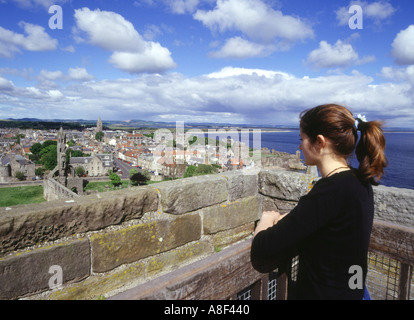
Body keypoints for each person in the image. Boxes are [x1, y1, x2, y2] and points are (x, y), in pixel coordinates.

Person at [250, 104, 387, 300]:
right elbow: (329, 224)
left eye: (302, 139)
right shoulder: (358, 182)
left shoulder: (329, 191)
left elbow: (263, 247)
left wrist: (266, 219)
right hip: (355, 292)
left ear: (320, 142)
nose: (299, 147)